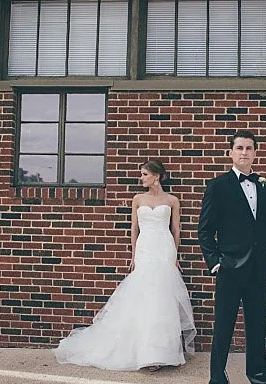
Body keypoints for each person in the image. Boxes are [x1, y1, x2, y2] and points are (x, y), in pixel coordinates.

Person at [53, 159, 196, 372]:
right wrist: (133, 254)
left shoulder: (172, 200)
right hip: (145, 248)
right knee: (144, 296)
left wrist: (174, 255)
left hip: (164, 249)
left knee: (163, 297)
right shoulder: (138, 199)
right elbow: (134, 228)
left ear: (156, 176)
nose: (141, 178)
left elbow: (176, 229)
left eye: (145, 174)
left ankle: (161, 352)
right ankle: (143, 352)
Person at [198, 130, 266, 384]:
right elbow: (204, 231)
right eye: (239, 148)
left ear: (255, 153)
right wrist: (215, 262)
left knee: (257, 328)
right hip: (229, 270)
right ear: (231, 152)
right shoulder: (217, 186)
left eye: (249, 148)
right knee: (223, 330)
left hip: (260, 270)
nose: (244, 152)